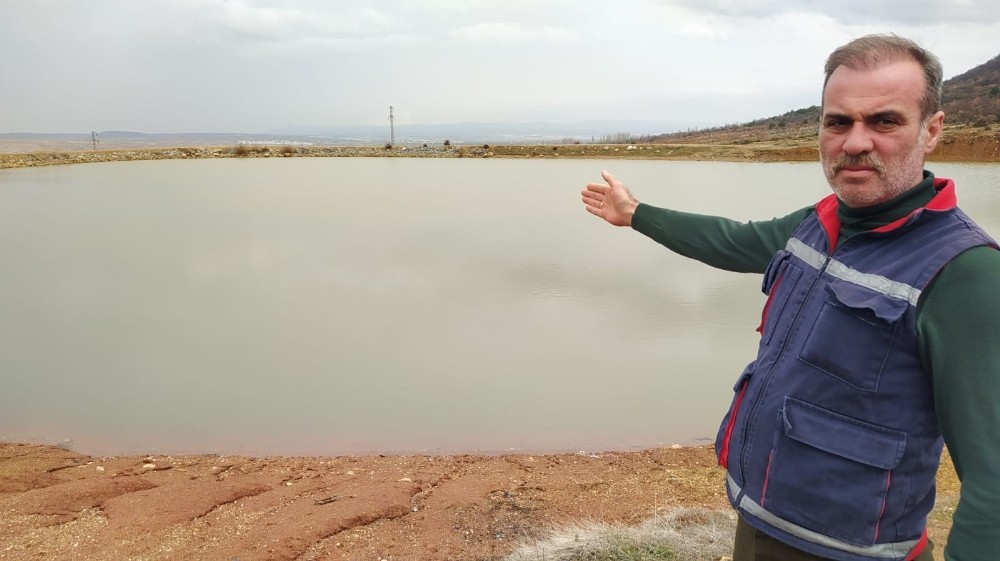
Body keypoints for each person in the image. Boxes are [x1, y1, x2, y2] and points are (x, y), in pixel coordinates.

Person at [582, 34, 1000, 561]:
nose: (855, 141)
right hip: (759, 524)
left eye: (884, 121)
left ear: (932, 130)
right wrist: (637, 213)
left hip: (853, 552)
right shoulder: (819, 223)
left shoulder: (966, 272)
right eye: (838, 121)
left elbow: (994, 478)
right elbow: (733, 240)